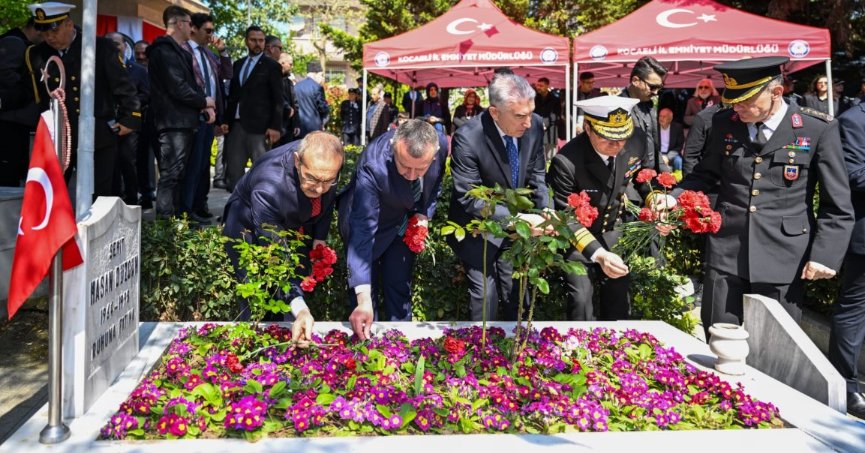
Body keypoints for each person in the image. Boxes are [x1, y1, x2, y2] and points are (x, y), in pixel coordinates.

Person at [666, 56, 854, 338]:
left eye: (745, 100)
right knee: (718, 339)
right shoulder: (723, 122)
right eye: (733, 99)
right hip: (727, 250)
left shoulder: (816, 129)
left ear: (776, 93)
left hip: (783, 255)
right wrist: (674, 197)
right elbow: (705, 175)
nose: (736, 106)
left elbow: (836, 203)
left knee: (775, 348)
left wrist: (825, 255)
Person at [447, 72, 549, 321]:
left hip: (520, 226)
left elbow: (537, 174)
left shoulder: (534, 125)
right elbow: (470, 197)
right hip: (479, 228)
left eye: (530, 112)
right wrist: (518, 221)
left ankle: (517, 352)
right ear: (494, 112)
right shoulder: (468, 138)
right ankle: (482, 352)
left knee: (518, 295)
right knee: (486, 298)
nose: (527, 123)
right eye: (519, 116)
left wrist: (545, 210)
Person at [222, 132, 343, 341]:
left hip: (293, 221)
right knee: (255, 294)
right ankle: (252, 346)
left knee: (291, 295)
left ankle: (289, 338)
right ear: (297, 161)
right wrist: (300, 307)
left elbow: (327, 200)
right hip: (246, 224)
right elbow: (277, 257)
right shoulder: (269, 187)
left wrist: (319, 240)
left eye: (329, 180)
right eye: (312, 179)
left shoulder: (326, 161)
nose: (321, 188)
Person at [339, 120, 448, 339]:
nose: (412, 175)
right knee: (365, 297)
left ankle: (400, 346)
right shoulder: (373, 165)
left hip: (403, 224)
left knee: (398, 284)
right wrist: (363, 300)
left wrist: (424, 212)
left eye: (421, 168)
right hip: (370, 224)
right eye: (405, 166)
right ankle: (366, 347)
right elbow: (363, 232)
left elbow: (435, 181)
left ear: (434, 152)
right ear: (393, 145)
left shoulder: (441, 144)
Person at [24, 2, 141, 198]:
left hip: (97, 131)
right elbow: (37, 96)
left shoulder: (100, 47)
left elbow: (123, 86)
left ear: (69, 24)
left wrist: (131, 117)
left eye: (54, 29)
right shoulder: (36, 54)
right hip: (57, 134)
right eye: (43, 32)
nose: (49, 36)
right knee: (52, 194)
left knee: (100, 193)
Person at [548, 96, 651, 320]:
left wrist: (656, 201)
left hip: (612, 229)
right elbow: (564, 216)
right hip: (577, 238)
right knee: (581, 303)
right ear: (588, 127)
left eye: (621, 137)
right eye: (607, 138)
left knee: (618, 301)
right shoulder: (566, 161)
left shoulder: (637, 141)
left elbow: (645, 177)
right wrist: (598, 254)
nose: (616, 145)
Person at [147, 5, 214, 218]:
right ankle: (166, 223)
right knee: (171, 174)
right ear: (179, 24)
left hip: (184, 121)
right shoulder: (163, 51)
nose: (191, 28)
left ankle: (176, 219)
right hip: (172, 122)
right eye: (188, 23)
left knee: (180, 174)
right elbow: (178, 88)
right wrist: (204, 100)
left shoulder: (176, 51)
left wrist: (205, 104)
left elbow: (190, 85)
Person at [829, 99, 865, 419]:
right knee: (854, 311)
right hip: (864, 237)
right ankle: (846, 385)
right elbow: (853, 177)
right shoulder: (853, 120)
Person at [181, 12, 233, 221]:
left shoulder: (210, 54)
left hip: (210, 119)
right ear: (193, 28)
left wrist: (223, 52)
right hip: (192, 116)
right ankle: (187, 210)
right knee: (192, 166)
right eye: (208, 31)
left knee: (203, 167)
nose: (211, 36)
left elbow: (226, 75)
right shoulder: (184, 52)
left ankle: (199, 205)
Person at [222, 25, 283, 192]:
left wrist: (275, 127)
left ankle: (259, 212)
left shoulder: (272, 66)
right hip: (236, 127)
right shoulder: (238, 65)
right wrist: (225, 121)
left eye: (261, 40)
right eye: (253, 40)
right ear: (246, 41)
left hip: (260, 129)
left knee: (261, 173)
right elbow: (233, 95)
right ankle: (235, 212)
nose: (257, 43)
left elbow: (278, 99)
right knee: (234, 173)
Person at [105, 32, 149, 206]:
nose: (115, 47)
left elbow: (146, 94)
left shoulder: (137, 70)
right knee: (111, 162)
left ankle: (131, 199)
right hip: (107, 124)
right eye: (110, 43)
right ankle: (113, 199)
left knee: (127, 161)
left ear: (125, 46)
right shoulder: (99, 68)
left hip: (130, 123)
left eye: (117, 44)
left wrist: (129, 104)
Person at [0, 16, 42, 187]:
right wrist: (30, 90)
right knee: (8, 171)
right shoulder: (14, 43)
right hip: (10, 117)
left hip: (17, 118)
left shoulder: (23, 44)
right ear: (35, 29)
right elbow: (6, 74)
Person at [621, 57, 667, 172]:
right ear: (635, 80)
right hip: (628, 180)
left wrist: (666, 175)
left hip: (650, 178)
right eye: (652, 87)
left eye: (659, 87)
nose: (656, 92)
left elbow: (655, 147)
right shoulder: (618, 108)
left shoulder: (650, 105)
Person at [294, 60, 329, 140]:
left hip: (298, 128)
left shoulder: (296, 86)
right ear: (315, 73)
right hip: (314, 129)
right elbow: (323, 108)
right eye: (321, 75)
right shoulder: (317, 87)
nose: (322, 78)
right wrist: (324, 122)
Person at [534, 77, 560, 160]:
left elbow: (556, 115)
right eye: (537, 85)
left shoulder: (555, 99)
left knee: (550, 158)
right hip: (536, 131)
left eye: (541, 85)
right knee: (537, 158)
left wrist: (545, 123)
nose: (538, 87)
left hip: (550, 133)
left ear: (547, 86)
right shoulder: (534, 99)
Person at [275, 52, 298, 146]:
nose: (292, 67)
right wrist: (287, 108)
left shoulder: (289, 82)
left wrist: (296, 124)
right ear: (282, 63)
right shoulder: (273, 80)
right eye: (291, 64)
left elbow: (295, 103)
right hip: (276, 127)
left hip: (288, 128)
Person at [574, 71, 602, 135]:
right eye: (588, 83)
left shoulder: (597, 95)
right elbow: (568, 113)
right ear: (581, 82)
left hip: (592, 129)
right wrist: (575, 125)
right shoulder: (573, 94)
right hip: (574, 129)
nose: (591, 85)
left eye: (592, 82)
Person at [658, 107, 685, 172]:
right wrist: (661, 157)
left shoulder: (677, 128)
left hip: (671, 153)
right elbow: (652, 145)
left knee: (678, 161)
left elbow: (679, 146)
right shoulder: (655, 127)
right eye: (660, 116)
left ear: (670, 118)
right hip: (658, 153)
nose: (661, 118)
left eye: (664, 117)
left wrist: (668, 157)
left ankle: (679, 179)